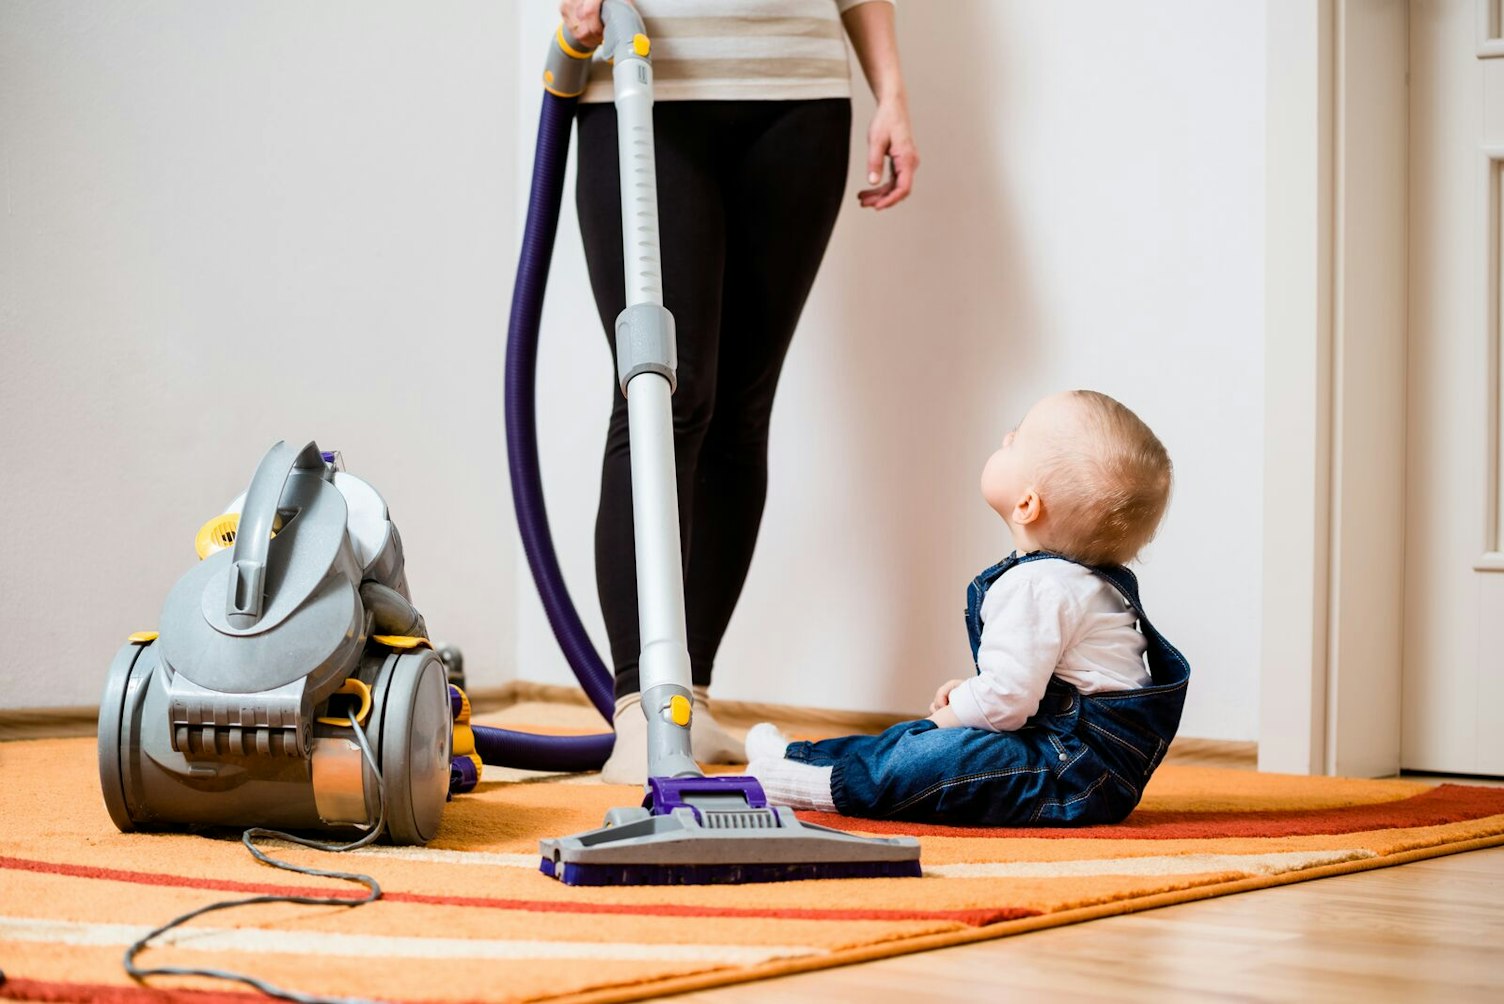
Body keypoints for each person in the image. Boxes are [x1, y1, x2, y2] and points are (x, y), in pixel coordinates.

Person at [560, 0, 920, 782]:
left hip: (802, 95)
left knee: (739, 412)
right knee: (662, 397)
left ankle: (691, 697)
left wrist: (889, 90)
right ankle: (638, 710)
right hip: (644, 80)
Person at [744, 391, 1192, 826]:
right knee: (923, 742)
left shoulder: (1038, 585)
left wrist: (947, 718)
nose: (1004, 436)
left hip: (1072, 773)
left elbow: (1007, 704)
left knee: (934, 754)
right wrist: (972, 694)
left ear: (1026, 504)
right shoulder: (1067, 581)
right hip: (1069, 755)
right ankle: (797, 757)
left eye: (1015, 439)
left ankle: (811, 786)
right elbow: (1031, 684)